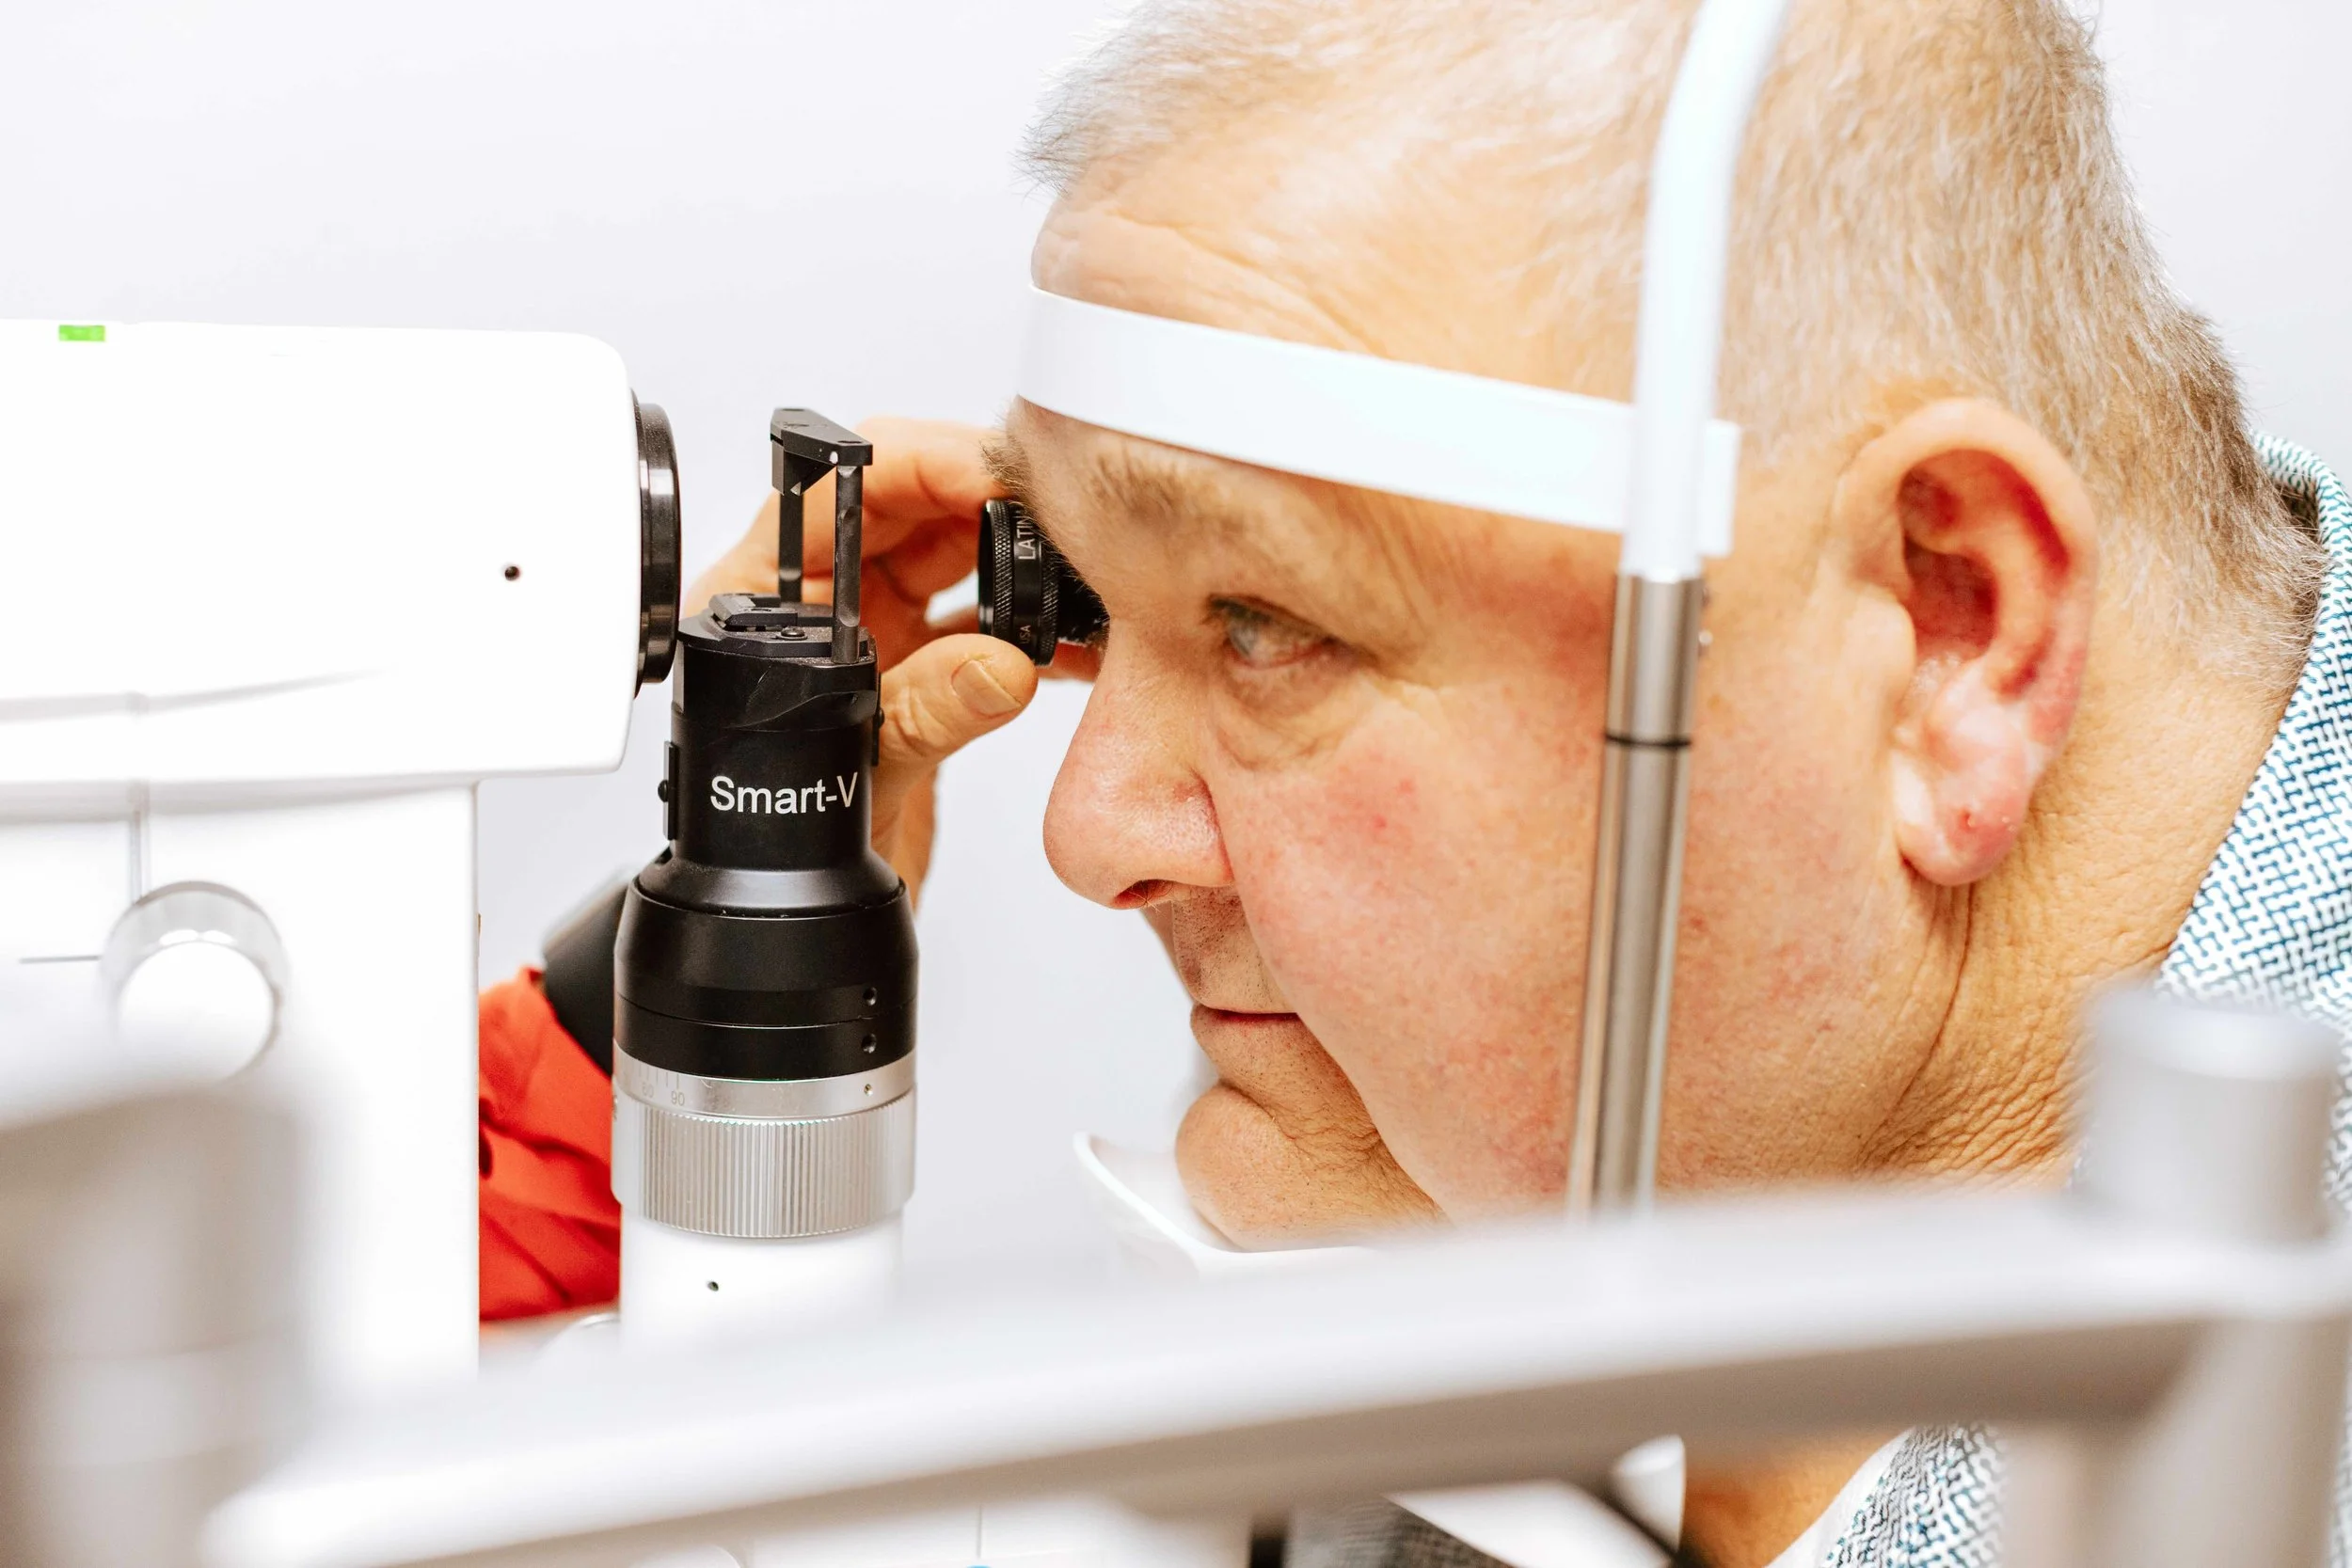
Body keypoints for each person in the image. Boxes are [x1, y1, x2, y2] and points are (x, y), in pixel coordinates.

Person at [478, 0, 2352, 1563]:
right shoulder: (1700, 1133)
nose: (1078, 832)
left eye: (1267, 619)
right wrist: (733, 963)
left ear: (1948, 634)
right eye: (1083, 599)